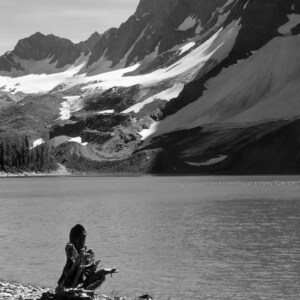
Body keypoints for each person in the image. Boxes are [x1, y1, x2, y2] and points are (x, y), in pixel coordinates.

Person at [56, 224, 118, 292]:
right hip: (68, 283)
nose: (84, 242)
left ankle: (84, 290)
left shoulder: (87, 253)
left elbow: (86, 270)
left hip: (80, 283)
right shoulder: (71, 249)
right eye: (83, 240)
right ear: (77, 240)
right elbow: (71, 266)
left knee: (99, 276)